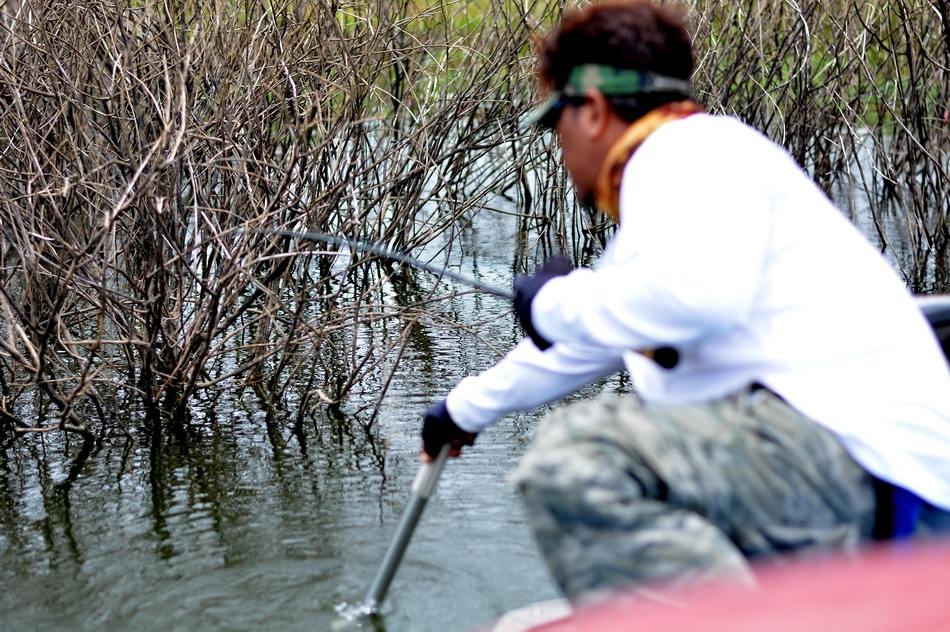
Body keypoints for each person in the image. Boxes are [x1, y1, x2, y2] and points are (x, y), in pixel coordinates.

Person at [419, 0, 950, 605]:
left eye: (554, 123)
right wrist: (461, 409)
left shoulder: (687, 155)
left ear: (590, 111)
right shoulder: (697, 172)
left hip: (872, 472)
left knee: (573, 460)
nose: (559, 149)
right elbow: (597, 335)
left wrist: (552, 302)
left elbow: (696, 301)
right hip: (866, 475)